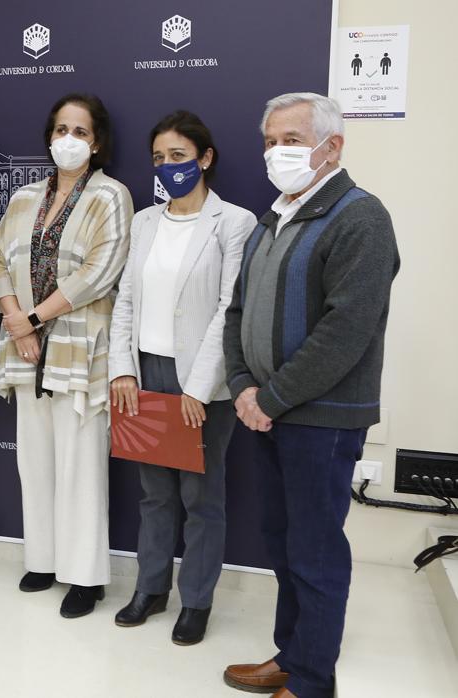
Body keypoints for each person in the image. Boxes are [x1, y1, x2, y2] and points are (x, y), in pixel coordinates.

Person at [222, 93, 398, 698]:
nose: (277, 153)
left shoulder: (360, 217)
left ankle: (313, 680)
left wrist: (268, 399)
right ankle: (291, 655)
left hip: (319, 419)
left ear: (333, 146)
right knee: (281, 541)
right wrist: (245, 386)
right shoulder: (274, 217)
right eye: (270, 142)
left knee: (316, 551)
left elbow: (345, 331)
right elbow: (237, 311)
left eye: (291, 140)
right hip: (267, 412)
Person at [107, 111, 255, 644]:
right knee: (154, 494)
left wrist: (197, 386)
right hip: (145, 372)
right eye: (159, 159)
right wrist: (123, 369)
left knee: (201, 496)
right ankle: (150, 589)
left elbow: (228, 309)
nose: (169, 167)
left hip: (203, 383)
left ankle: (196, 600)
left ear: (205, 158)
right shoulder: (145, 222)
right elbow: (125, 298)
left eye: (179, 156)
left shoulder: (235, 223)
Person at [0, 93, 132, 617]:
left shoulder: (111, 195)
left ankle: (85, 576)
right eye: (61, 129)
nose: (68, 139)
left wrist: (33, 318)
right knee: (36, 460)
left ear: (97, 142)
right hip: (24, 347)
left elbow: (100, 271)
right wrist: (15, 320)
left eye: (81, 131)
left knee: (80, 465)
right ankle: (43, 560)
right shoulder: (25, 195)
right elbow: (0, 260)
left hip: (77, 347)